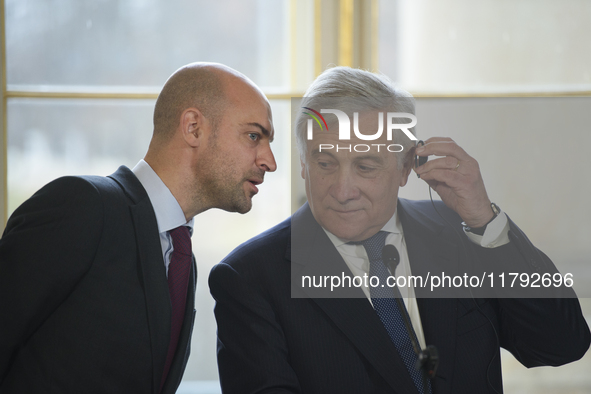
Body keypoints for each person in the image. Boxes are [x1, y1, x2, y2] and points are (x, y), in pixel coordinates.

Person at [208, 66, 590, 394]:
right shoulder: (249, 278)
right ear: (304, 164)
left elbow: (561, 345)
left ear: (407, 167)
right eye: (325, 164)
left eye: (366, 166)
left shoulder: (463, 234)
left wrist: (485, 222)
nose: (343, 191)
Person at [0, 62, 276, 394]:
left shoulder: (180, 256)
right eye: (253, 136)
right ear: (193, 128)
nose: (269, 161)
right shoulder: (82, 205)